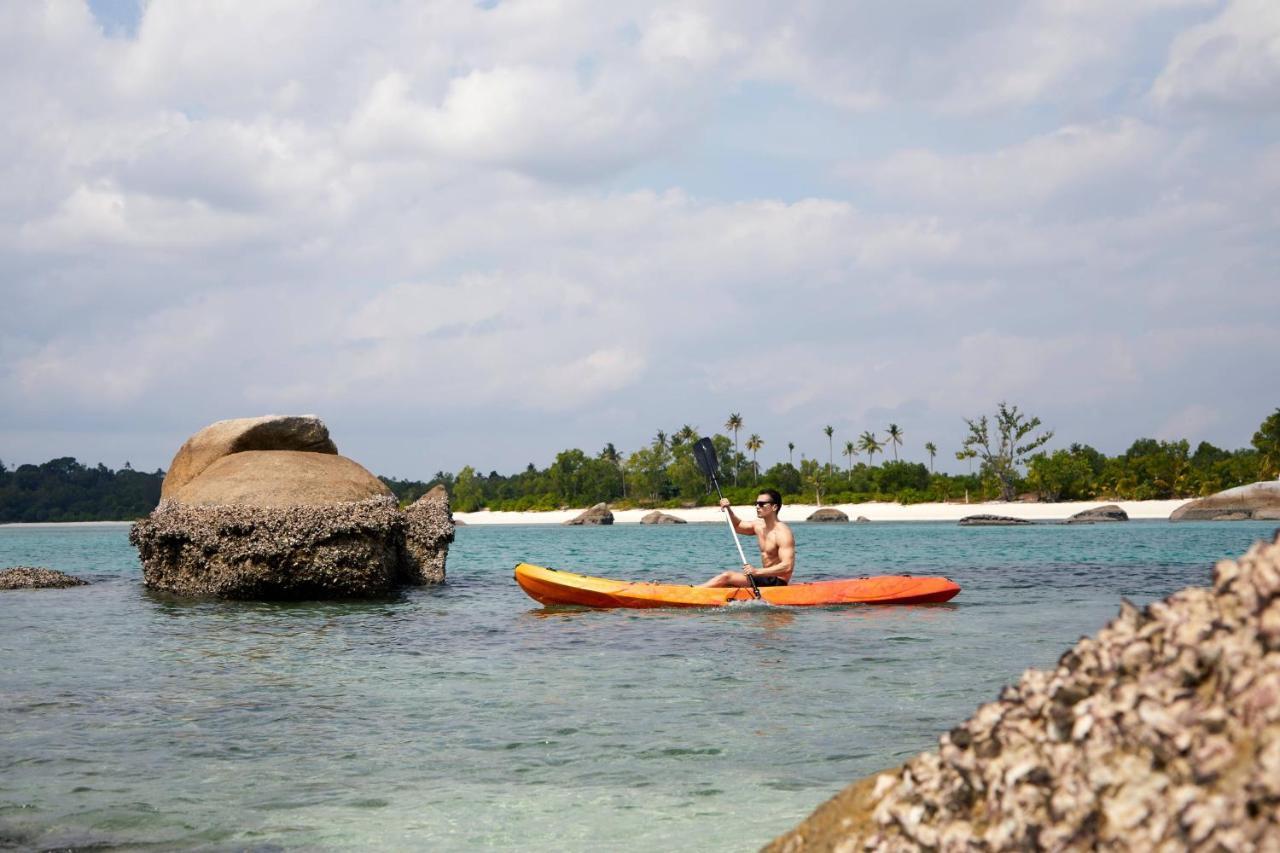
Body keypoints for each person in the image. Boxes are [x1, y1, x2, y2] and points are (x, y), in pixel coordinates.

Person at [698, 488, 795, 588]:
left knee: (727, 577)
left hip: (777, 582)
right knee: (726, 584)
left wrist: (756, 571)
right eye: (756, 503)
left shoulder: (783, 533)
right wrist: (728, 509)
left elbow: (787, 566)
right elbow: (737, 526)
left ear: (774, 507)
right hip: (764, 578)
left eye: (761, 504)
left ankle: (695, 591)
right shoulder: (759, 526)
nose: (757, 507)